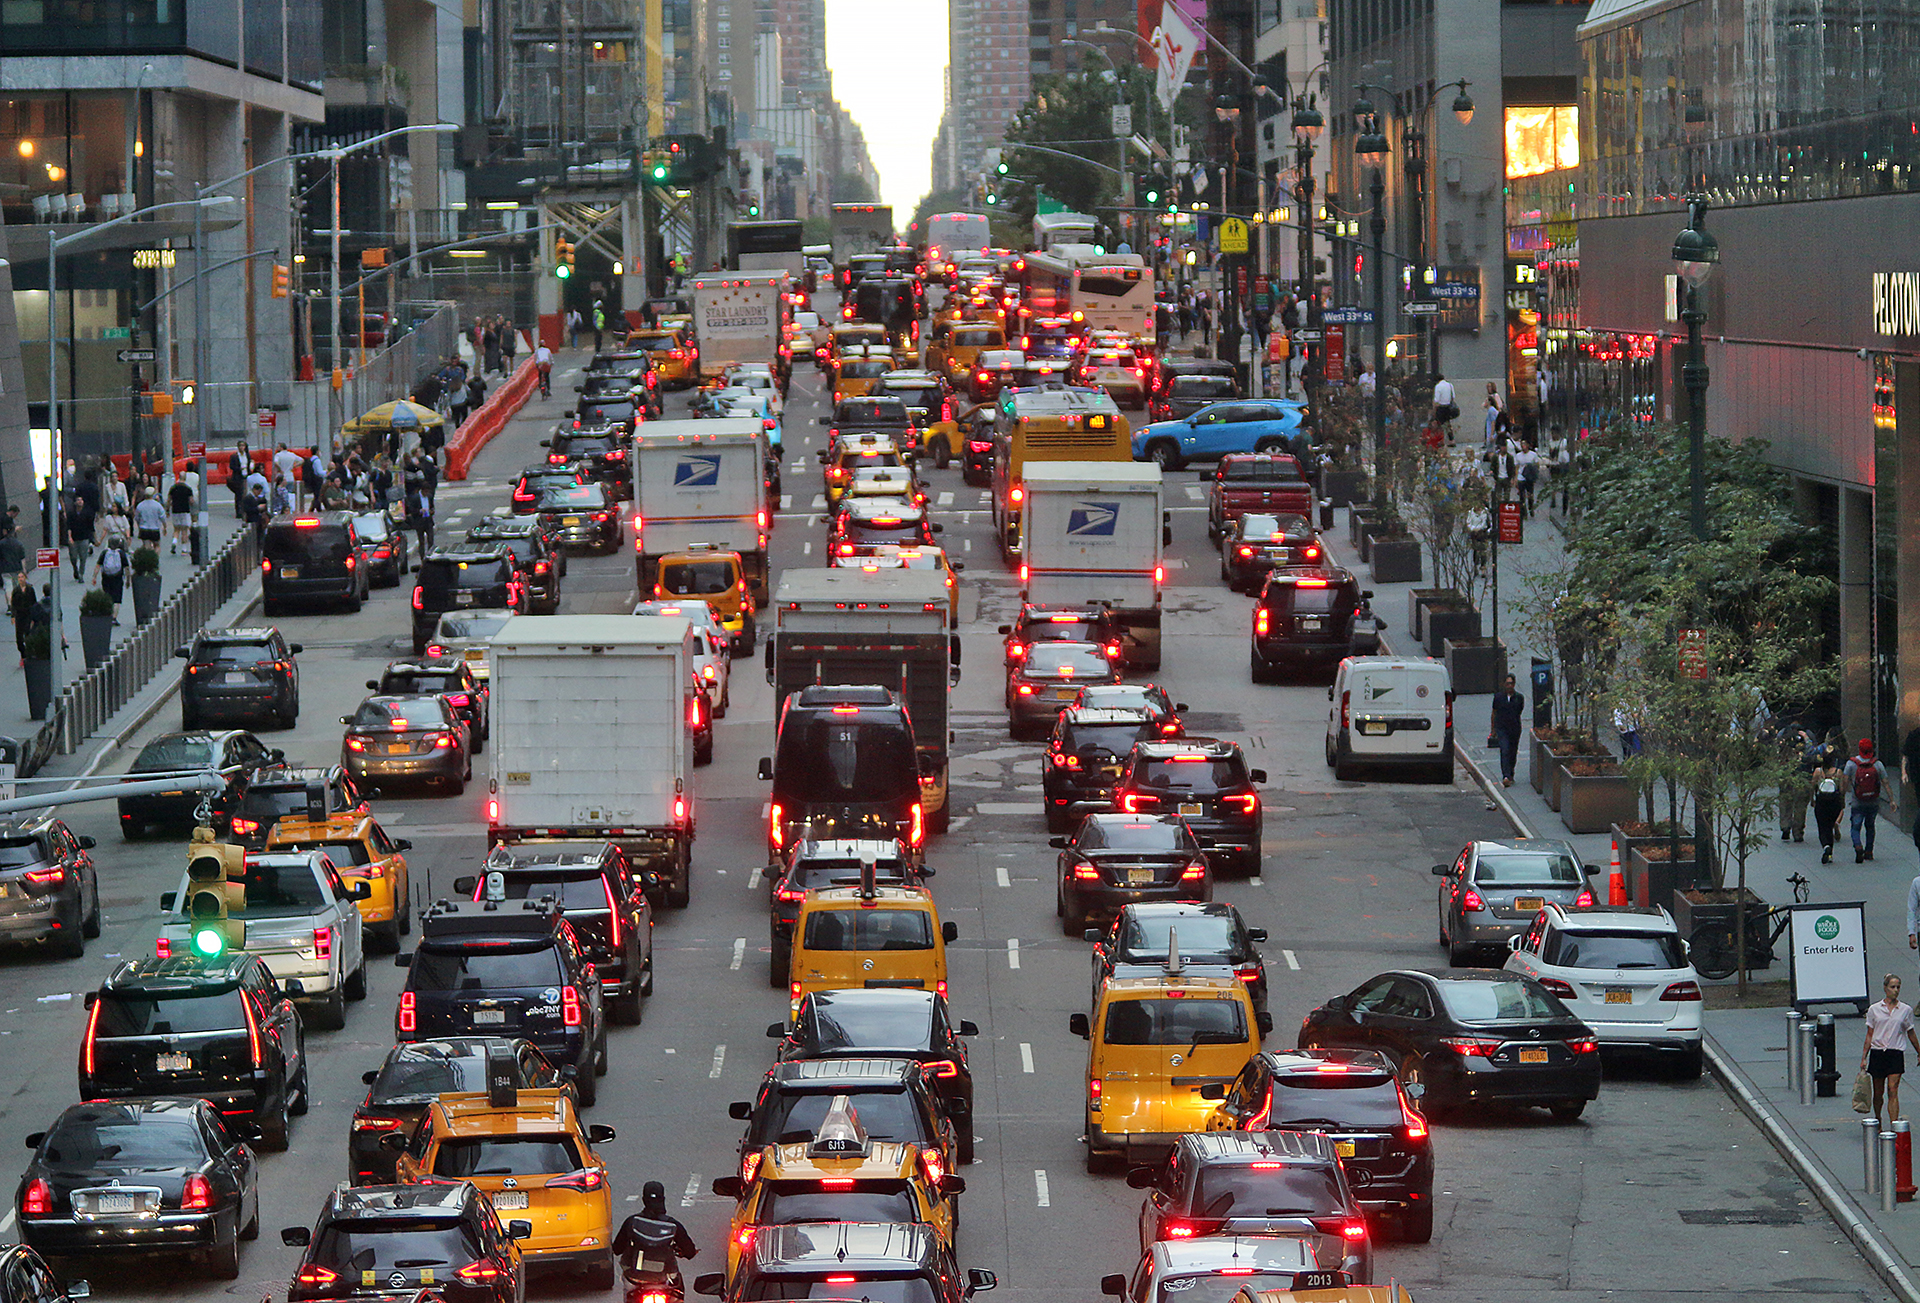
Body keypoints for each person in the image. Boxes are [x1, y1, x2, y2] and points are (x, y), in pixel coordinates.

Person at [1863, 974, 1920, 1124]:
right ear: (1885, 988)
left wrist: (1919, 1052)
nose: (1895, 990)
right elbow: (1869, 1034)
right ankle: (1878, 1119)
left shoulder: (1905, 1009)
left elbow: (1911, 1032)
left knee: (1893, 1089)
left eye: (1898, 987)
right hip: (1878, 1052)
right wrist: (1864, 1057)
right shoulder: (1874, 1009)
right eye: (1892, 987)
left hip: (1895, 1052)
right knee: (1878, 1092)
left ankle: (1894, 1124)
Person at [614, 1181, 698, 1279]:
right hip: (666, 1276)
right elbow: (689, 1251)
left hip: (635, 1277)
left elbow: (617, 1249)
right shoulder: (672, 1224)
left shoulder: (632, 1222)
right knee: (676, 1284)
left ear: (644, 1200)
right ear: (663, 1199)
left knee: (627, 1285)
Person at [1847, 738, 1891, 863]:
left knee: (1855, 826)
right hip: (1873, 801)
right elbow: (1886, 783)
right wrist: (1892, 800)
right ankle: (1869, 851)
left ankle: (1858, 846)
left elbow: (1845, 779)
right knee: (1870, 826)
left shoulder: (1852, 764)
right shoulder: (1877, 764)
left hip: (1857, 802)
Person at [1488, 674, 1526, 787]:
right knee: (1504, 750)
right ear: (1504, 684)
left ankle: (1511, 773)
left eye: (1511, 683)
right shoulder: (1498, 697)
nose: (1509, 686)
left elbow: (1519, 711)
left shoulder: (1519, 698)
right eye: (1507, 683)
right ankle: (1506, 775)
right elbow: (1494, 712)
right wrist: (1493, 729)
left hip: (1514, 728)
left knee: (1512, 752)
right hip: (1502, 728)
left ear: (1514, 684)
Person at [1812, 745, 1848, 863]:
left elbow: (1812, 786)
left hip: (1821, 801)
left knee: (1823, 827)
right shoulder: (1838, 772)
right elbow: (1842, 789)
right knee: (1830, 825)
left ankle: (1826, 846)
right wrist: (1841, 801)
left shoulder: (1818, 772)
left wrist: (1812, 799)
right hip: (1834, 801)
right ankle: (1830, 852)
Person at [1776, 725, 1812, 843]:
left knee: (1785, 802)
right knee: (1800, 805)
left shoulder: (1782, 737)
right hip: (1802, 775)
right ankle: (1798, 832)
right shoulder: (1806, 736)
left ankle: (1785, 826)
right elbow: (1811, 753)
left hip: (1785, 776)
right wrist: (1806, 738)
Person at [93, 535, 130, 623]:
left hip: (106, 577)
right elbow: (127, 568)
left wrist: (94, 577)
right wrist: (128, 579)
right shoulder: (121, 554)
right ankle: (114, 617)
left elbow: (98, 566)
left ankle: (107, 613)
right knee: (117, 599)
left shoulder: (104, 552)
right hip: (117, 578)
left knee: (107, 595)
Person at [10, 572, 35, 666]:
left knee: (28, 634)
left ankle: (28, 655)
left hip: (28, 615)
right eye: (19, 577)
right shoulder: (16, 590)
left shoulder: (30, 589)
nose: (20, 579)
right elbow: (13, 604)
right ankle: (23, 654)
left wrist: (33, 616)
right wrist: (13, 615)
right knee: (19, 638)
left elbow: (34, 602)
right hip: (19, 616)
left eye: (22, 577)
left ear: (25, 578)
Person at [1903, 721, 1920, 858]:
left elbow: (1905, 755)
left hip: (1917, 777)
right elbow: (1905, 756)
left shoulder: (1913, 735)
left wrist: (1904, 773)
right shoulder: (1914, 735)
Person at [167, 476, 195, 554]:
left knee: (176, 529)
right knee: (184, 530)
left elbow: (169, 500)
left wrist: (167, 510)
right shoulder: (188, 489)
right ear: (185, 478)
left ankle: (174, 541)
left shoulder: (173, 488)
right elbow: (191, 501)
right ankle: (184, 549)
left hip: (175, 510)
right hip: (185, 511)